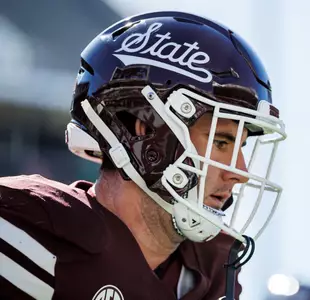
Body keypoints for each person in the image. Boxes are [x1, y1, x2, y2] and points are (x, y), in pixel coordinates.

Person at [0, 11, 287, 300]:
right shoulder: (31, 228)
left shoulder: (210, 275)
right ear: (147, 130)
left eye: (242, 146)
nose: (239, 171)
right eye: (221, 142)